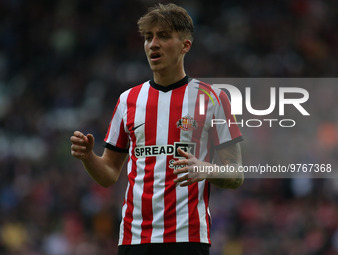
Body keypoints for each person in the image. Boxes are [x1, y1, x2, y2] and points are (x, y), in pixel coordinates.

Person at [70, 3, 244, 255]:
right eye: (148, 37)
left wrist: (207, 169)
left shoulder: (213, 98)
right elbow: (108, 173)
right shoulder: (128, 100)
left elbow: (236, 175)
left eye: (163, 36)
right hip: (134, 240)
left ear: (185, 46)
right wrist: (88, 158)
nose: (153, 44)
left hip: (188, 239)